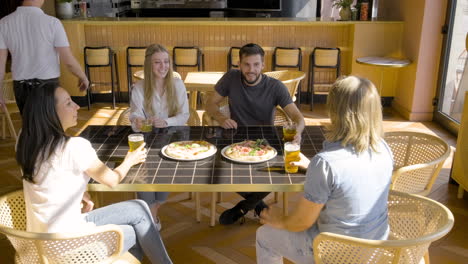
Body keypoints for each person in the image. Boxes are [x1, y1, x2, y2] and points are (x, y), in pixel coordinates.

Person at [16, 82, 173, 263]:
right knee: (140, 231)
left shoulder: (24, 143)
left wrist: (80, 191)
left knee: (139, 209)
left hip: (38, 246)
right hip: (70, 251)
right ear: (50, 113)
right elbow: (112, 180)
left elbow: (51, 176)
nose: (76, 105)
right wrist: (130, 160)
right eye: (68, 103)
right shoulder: (74, 147)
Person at [255, 76, 393, 264]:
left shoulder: (327, 163)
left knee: (264, 236)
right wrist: (313, 167)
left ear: (335, 111)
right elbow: (351, 180)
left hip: (336, 254)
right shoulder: (383, 148)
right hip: (376, 248)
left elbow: (301, 222)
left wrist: (280, 219)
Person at [205, 43, 305, 225]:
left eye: (256, 65)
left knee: (285, 171)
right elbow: (210, 103)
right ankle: (258, 206)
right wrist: (220, 118)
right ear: (239, 64)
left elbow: (299, 119)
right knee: (219, 170)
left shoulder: (275, 87)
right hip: (235, 139)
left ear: (263, 65)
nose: (251, 70)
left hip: (266, 141)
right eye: (246, 65)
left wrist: (297, 132)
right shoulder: (231, 78)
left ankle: (244, 206)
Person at [130, 44, 189, 230]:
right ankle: (152, 211)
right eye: (157, 62)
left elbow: (184, 115)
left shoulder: (178, 84)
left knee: (165, 165)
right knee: (141, 168)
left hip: (174, 138)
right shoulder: (138, 88)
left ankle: (152, 210)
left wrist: (166, 121)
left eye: (166, 62)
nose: (163, 66)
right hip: (147, 139)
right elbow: (134, 115)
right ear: (149, 64)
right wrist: (137, 121)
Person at [0, 0, 89, 114]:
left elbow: (1, 62)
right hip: (48, 86)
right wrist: (83, 77)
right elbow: (68, 60)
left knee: (30, 125)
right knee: (49, 125)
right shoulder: (52, 22)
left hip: (21, 86)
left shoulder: (4, 23)